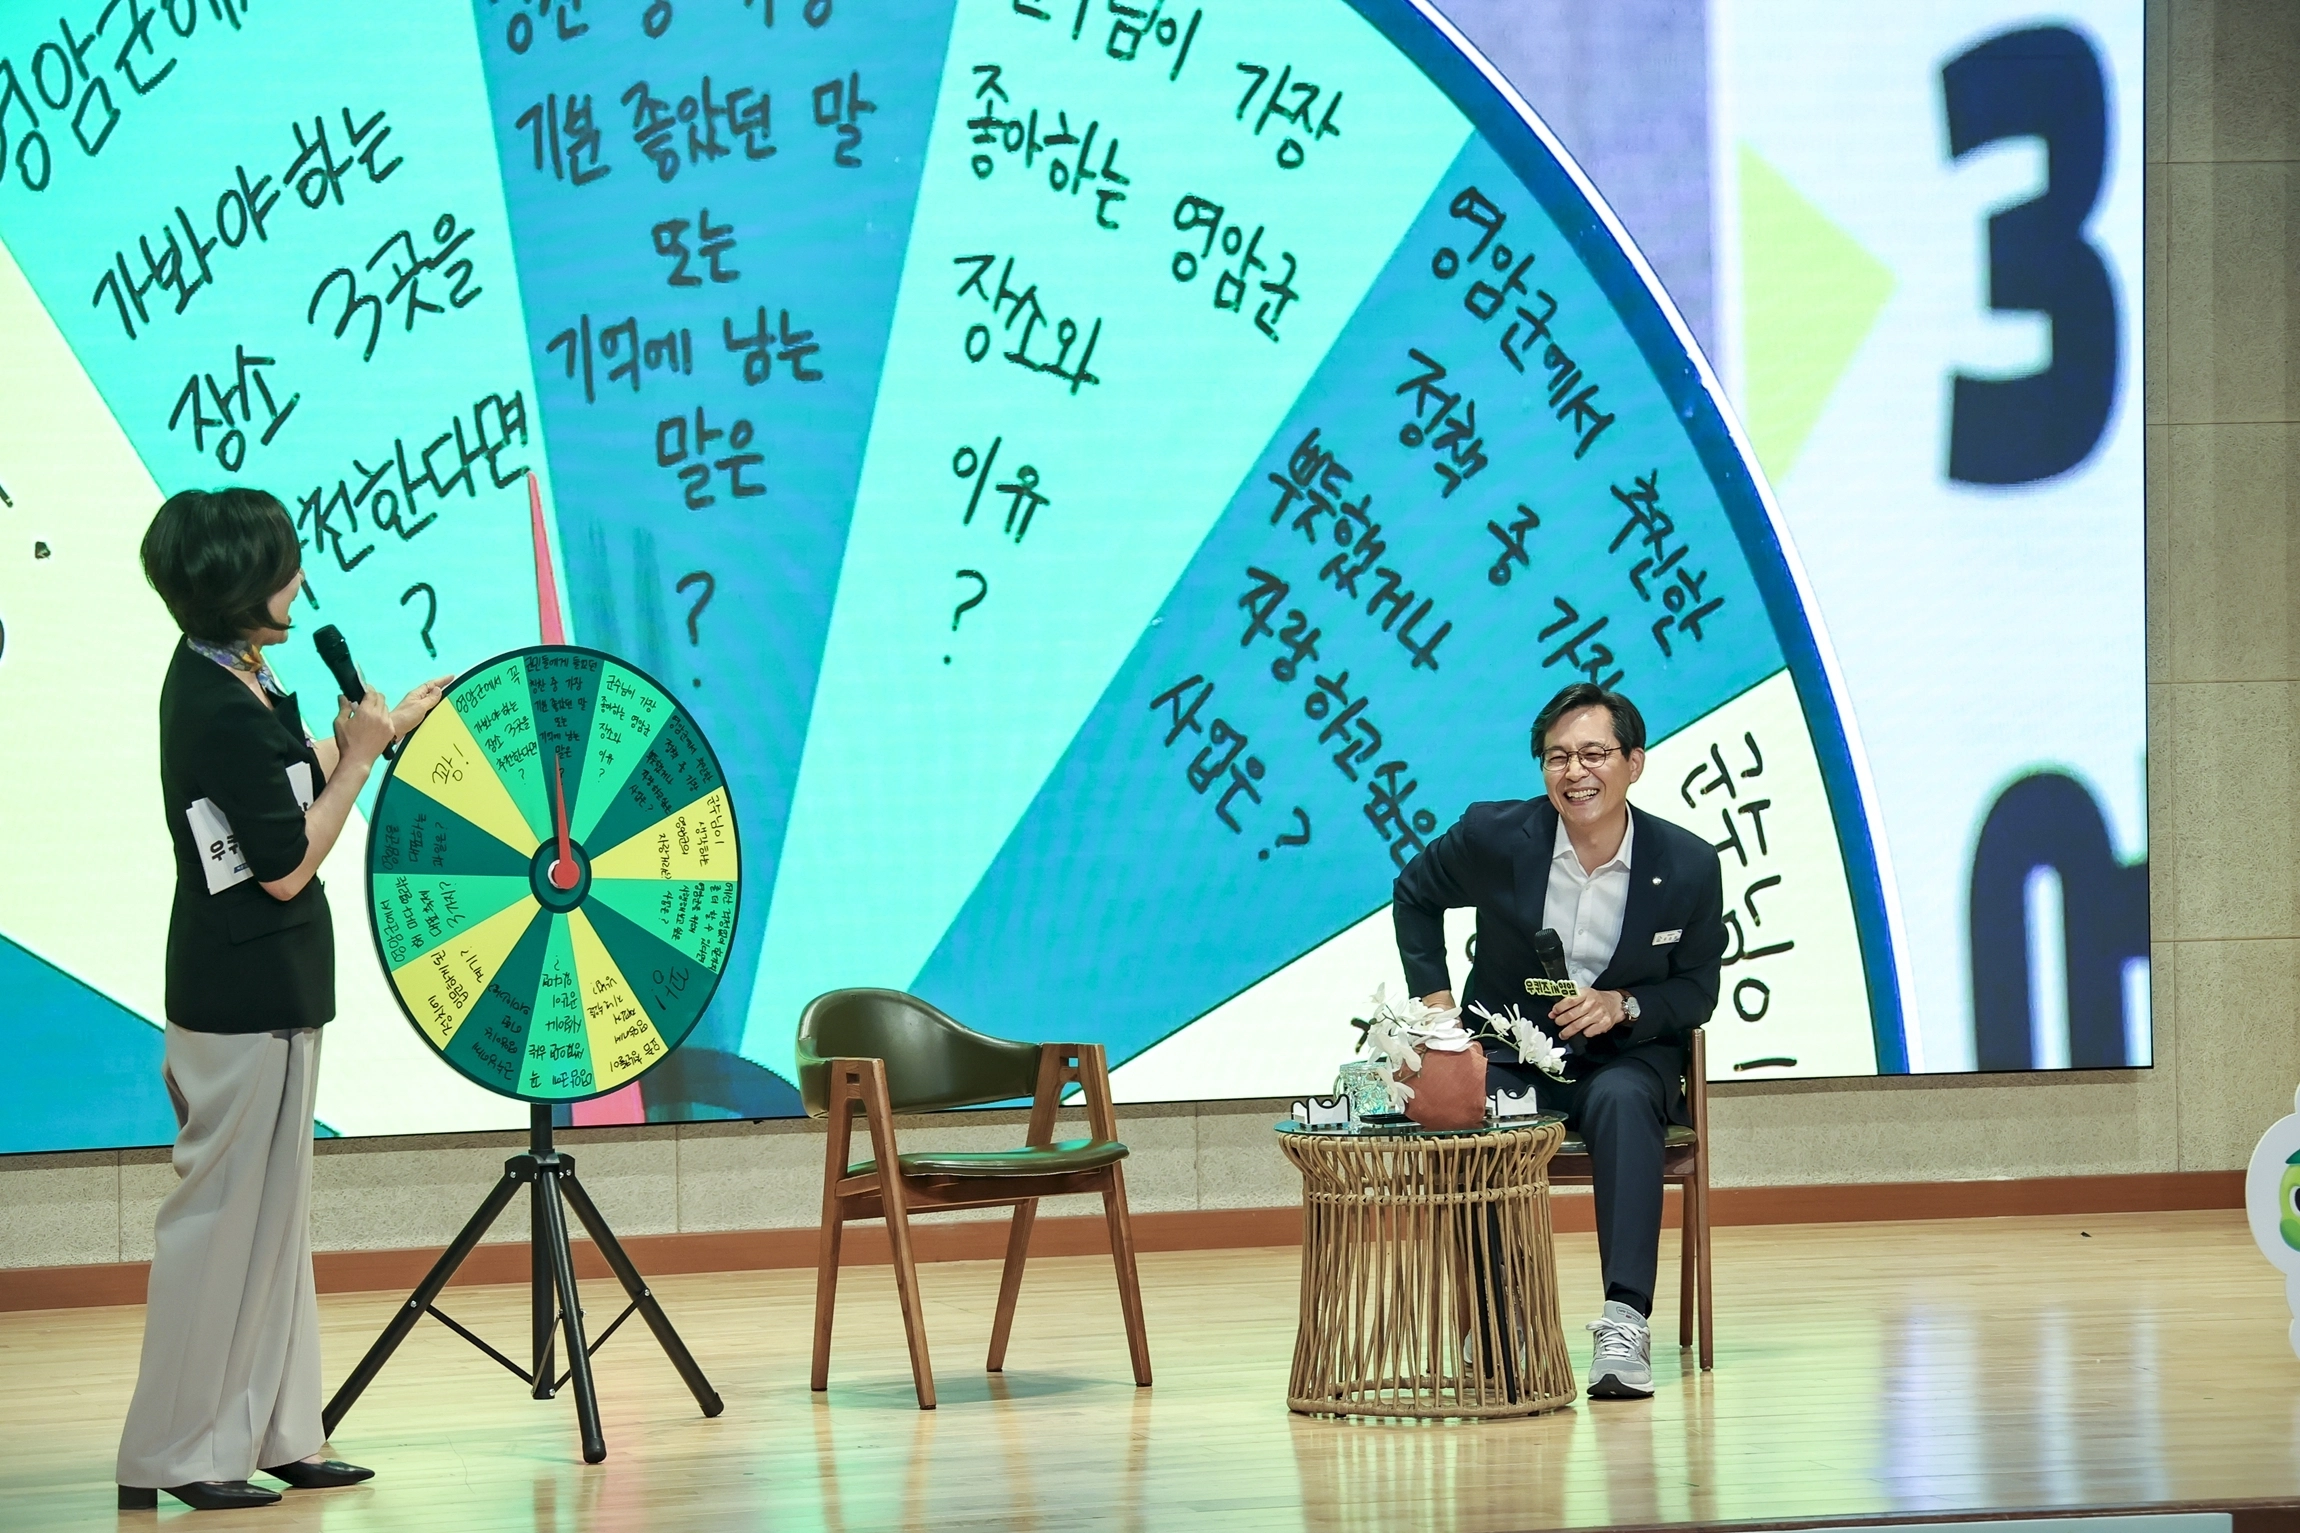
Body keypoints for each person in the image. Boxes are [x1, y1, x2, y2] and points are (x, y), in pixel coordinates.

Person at [118, 488, 450, 1511]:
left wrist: (376, 734)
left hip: (274, 988)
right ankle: (175, 1452)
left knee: (272, 1228)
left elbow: (281, 793)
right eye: (281, 565)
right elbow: (285, 865)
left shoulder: (237, 675)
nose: (298, 577)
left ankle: (276, 1431)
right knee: (220, 1225)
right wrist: (360, 762)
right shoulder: (217, 701)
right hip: (239, 993)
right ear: (236, 586)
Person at [1392, 682, 1726, 1399]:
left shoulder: (1689, 865)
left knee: (1624, 1103)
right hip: (1512, 1052)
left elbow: (1698, 989)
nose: (1576, 772)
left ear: (1634, 762)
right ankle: (1497, 1318)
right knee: (1475, 1114)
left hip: (1623, 1057)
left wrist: (1624, 1004)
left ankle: (1625, 1322)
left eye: (1594, 754)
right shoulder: (1495, 836)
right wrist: (1441, 1015)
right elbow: (1415, 894)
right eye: (1557, 757)